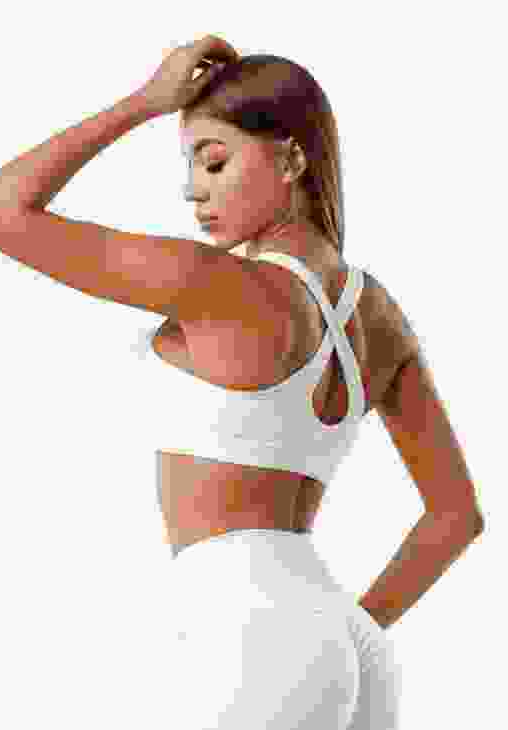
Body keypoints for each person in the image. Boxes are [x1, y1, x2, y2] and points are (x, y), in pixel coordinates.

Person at [133, 55, 411, 729]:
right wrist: (329, 636)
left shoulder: (223, 285)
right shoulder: (375, 310)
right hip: (337, 628)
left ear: (290, 160)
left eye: (214, 161)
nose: (192, 191)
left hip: (242, 624)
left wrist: (143, 102)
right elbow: (456, 515)